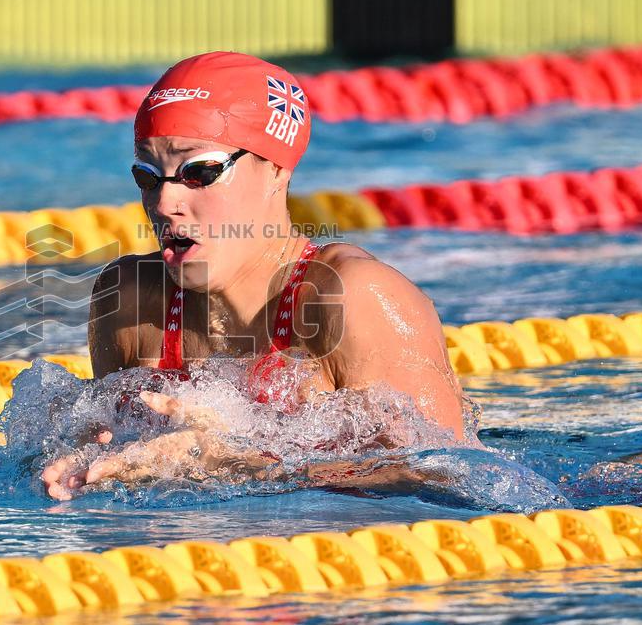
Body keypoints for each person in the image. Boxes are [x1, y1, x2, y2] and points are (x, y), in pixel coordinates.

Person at [42, 52, 469, 500]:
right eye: (148, 176)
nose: (164, 202)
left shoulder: (355, 299)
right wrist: (79, 457)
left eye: (199, 172)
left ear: (276, 171)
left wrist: (240, 464)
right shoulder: (129, 301)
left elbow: (453, 482)